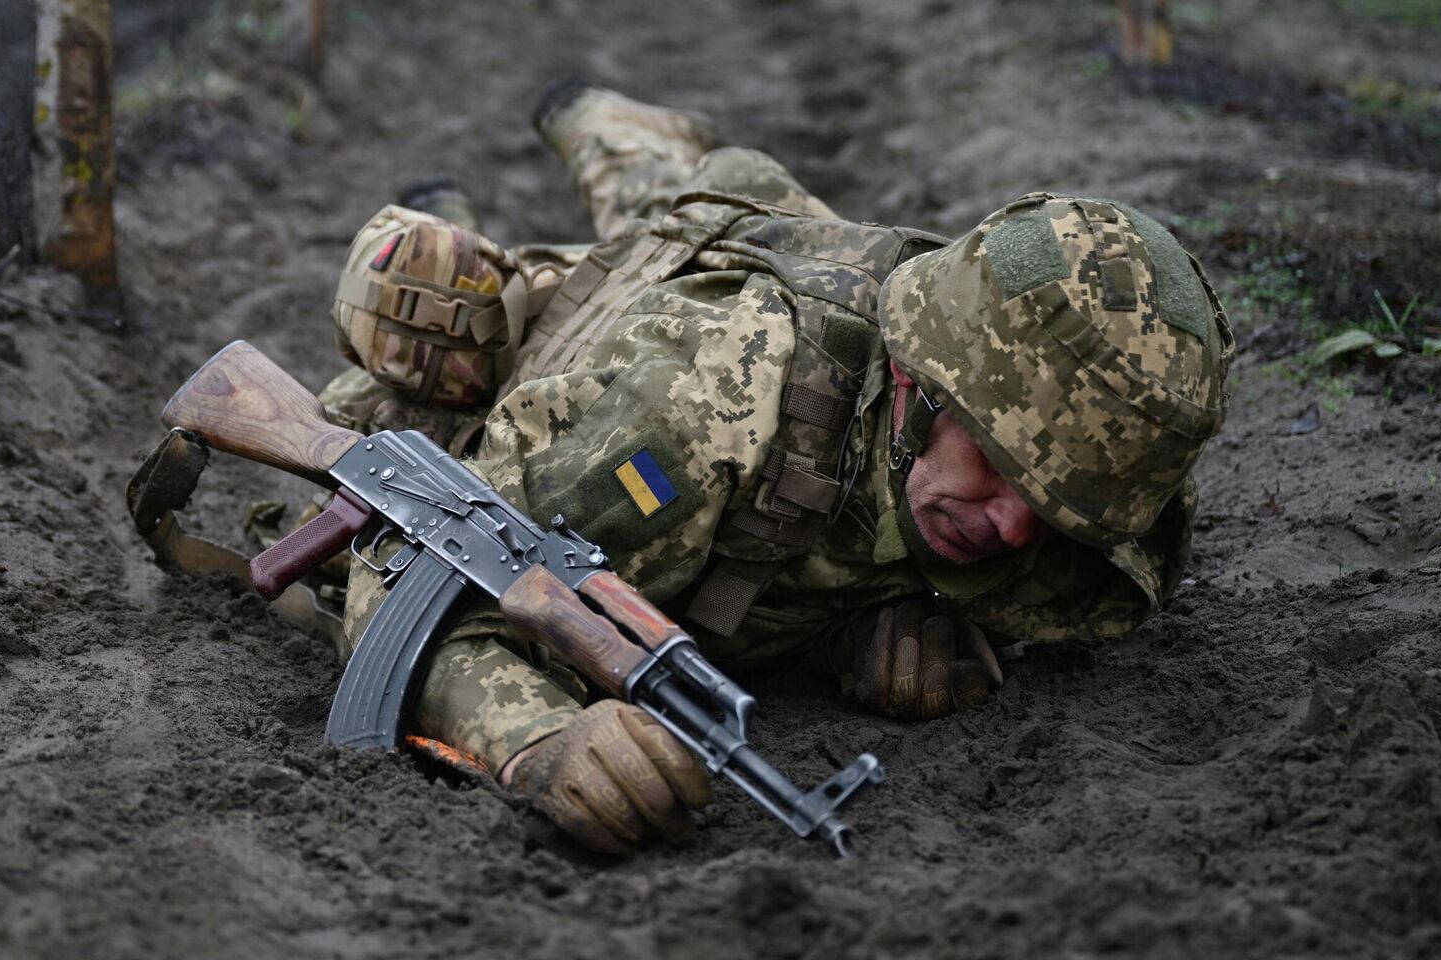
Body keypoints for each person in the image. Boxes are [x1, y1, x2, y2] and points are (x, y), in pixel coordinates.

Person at [308, 82, 1235, 855]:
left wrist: (864, 624)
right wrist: (535, 740)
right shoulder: (701, 410)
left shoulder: (1091, 460)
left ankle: (649, 149)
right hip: (621, 325)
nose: (1014, 527)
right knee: (434, 314)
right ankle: (577, 142)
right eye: (997, 464)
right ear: (915, 382)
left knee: (719, 197)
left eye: (1059, 504)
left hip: (787, 250)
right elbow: (413, 577)